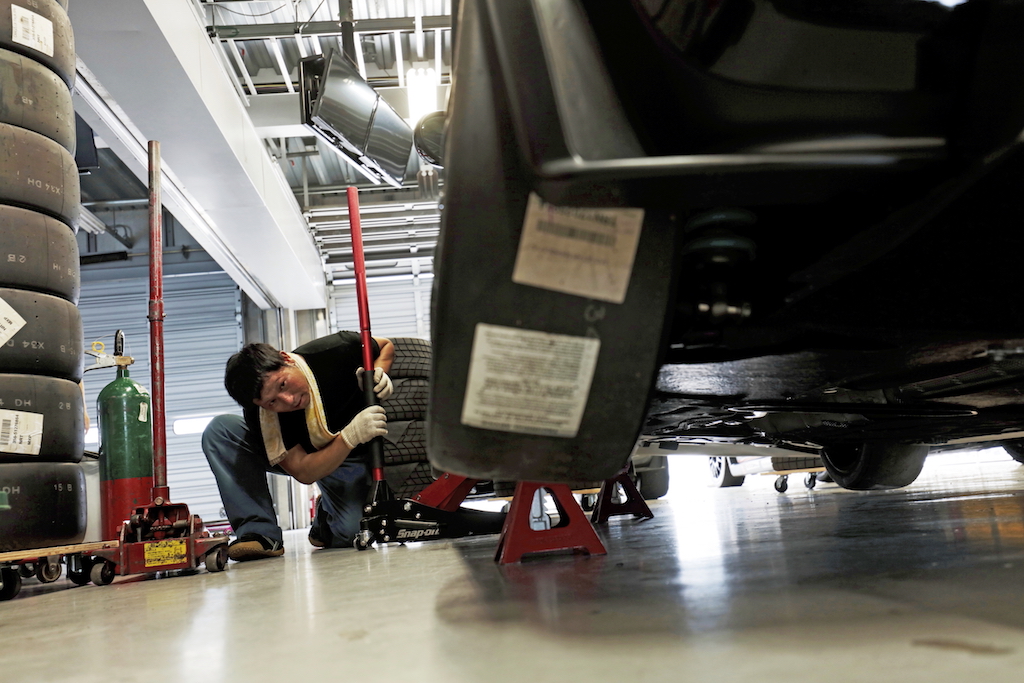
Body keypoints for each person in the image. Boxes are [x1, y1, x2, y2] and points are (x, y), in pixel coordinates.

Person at [202, 331, 394, 561]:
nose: (289, 400)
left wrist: (378, 373)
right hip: (307, 456)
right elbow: (303, 471)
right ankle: (260, 533)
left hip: (346, 461)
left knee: (353, 532)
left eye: (283, 384)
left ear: (286, 359)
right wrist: (350, 436)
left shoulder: (336, 349)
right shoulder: (261, 415)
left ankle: (326, 517)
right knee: (221, 430)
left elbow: (385, 346)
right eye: (272, 401)